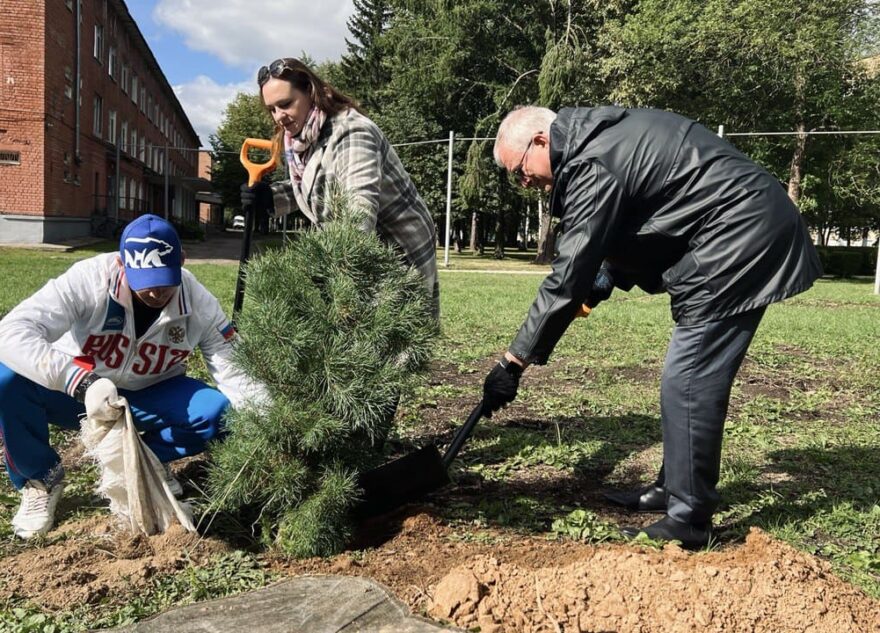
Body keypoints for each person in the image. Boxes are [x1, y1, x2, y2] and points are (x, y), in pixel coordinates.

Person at [484, 105, 822, 548]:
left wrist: (513, 361)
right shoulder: (598, 142)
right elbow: (647, 215)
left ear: (541, 142)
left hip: (739, 238)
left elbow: (567, 275)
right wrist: (605, 276)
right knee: (686, 378)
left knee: (688, 380)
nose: (523, 182)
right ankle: (673, 488)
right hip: (735, 228)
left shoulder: (592, 161)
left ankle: (689, 520)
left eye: (520, 170)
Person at [0, 214, 265, 538]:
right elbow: (10, 332)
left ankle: (146, 460)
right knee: (7, 379)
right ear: (122, 262)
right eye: (144, 280)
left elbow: (233, 365)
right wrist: (80, 381)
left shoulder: (199, 302)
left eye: (165, 279)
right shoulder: (89, 280)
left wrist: (269, 424)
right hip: (80, 395)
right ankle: (41, 478)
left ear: (181, 261)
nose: (154, 292)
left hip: (152, 392)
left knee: (218, 414)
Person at [240, 57, 439, 317]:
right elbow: (318, 184)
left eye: (286, 104)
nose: (279, 117)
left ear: (310, 92)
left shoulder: (353, 133)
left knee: (391, 344)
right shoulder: (303, 142)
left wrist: (317, 269)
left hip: (398, 253)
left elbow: (358, 212)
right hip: (355, 254)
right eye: (272, 109)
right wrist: (270, 197)